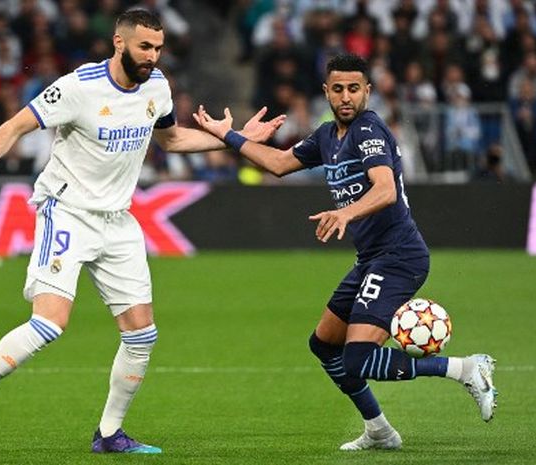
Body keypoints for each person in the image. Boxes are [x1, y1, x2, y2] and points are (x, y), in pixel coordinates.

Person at [0, 9, 283, 455]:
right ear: (119, 42)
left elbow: (173, 140)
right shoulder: (79, 87)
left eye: (158, 48)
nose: (153, 57)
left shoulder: (157, 87)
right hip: (66, 212)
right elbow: (16, 125)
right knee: (49, 323)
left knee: (142, 335)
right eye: (145, 47)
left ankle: (108, 435)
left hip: (118, 221)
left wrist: (234, 138)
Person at [193, 53, 498, 451]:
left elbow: (386, 189)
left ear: (368, 91)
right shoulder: (326, 135)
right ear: (326, 92)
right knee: (324, 344)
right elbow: (280, 163)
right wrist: (228, 136)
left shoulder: (368, 129)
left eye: (354, 88)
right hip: (371, 258)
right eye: (338, 89)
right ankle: (379, 431)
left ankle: (465, 369)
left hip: (399, 256)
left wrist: (344, 212)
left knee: (356, 359)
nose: (346, 96)